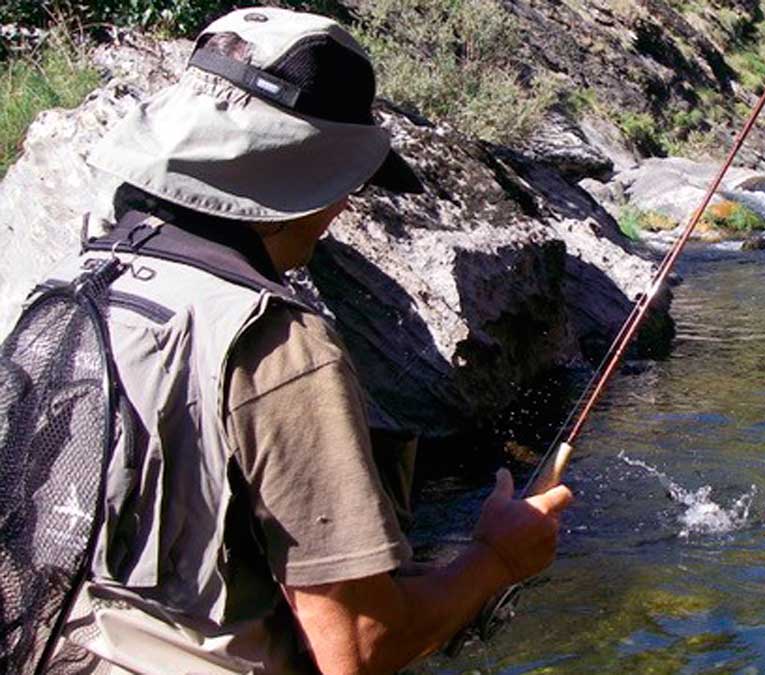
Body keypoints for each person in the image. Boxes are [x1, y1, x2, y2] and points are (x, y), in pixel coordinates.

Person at [39, 7, 572, 674]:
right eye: (338, 180)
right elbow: (356, 649)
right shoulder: (278, 345)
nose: (343, 204)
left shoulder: (79, 280)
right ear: (290, 173)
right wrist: (496, 558)